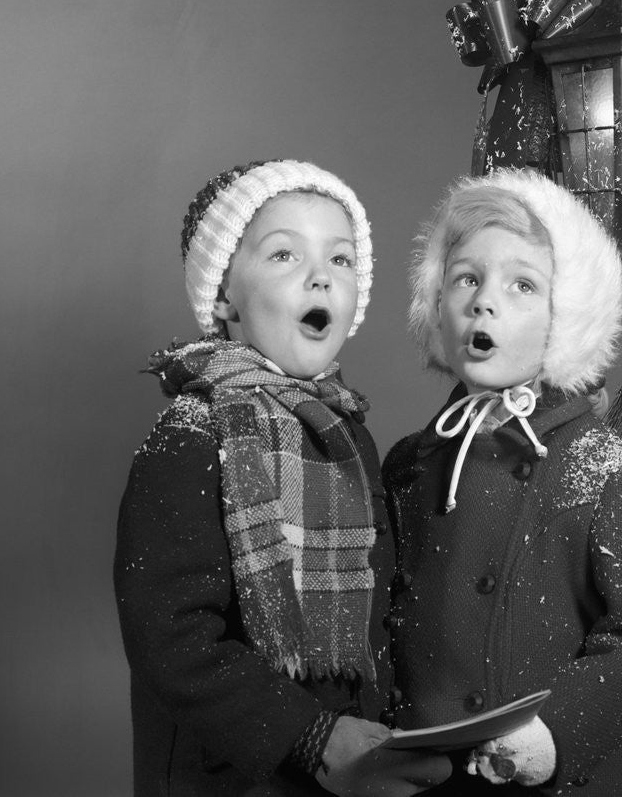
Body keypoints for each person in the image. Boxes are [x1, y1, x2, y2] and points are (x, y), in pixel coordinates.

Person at [114, 159, 451, 796]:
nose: (320, 275)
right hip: (236, 776)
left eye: (342, 260)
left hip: (348, 767)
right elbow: (172, 640)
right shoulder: (193, 436)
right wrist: (313, 737)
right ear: (222, 297)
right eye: (284, 256)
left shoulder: (341, 431)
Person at [383, 169, 622, 795]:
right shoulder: (409, 464)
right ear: (436, 305)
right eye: (466, 277)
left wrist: (548, 734)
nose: (484, 300)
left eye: (522, 284)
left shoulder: (616, 477)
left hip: (569, 777)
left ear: (566, 318)